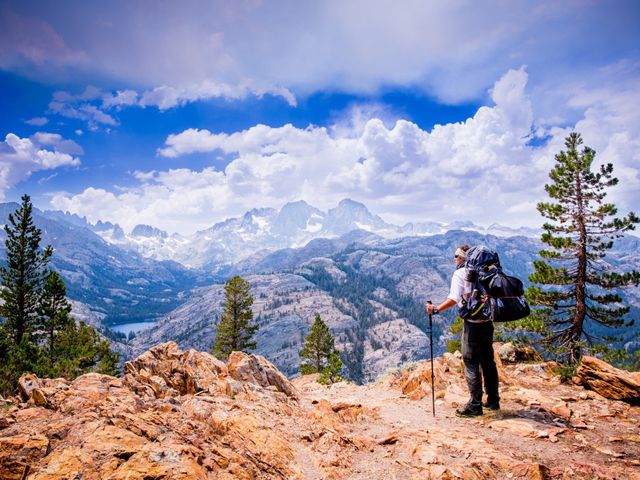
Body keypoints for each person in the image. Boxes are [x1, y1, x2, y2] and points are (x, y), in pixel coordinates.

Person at [425, 244, 500, 416]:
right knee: (488, 361)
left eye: (456, 256)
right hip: (487, 321)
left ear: (463, 258)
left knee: (471, 361)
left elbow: (453, 298)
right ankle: (493, 400)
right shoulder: (488, 272)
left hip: (472, 323)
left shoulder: (460, 273)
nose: (454, 259)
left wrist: (435, 309)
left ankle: (475, 405)